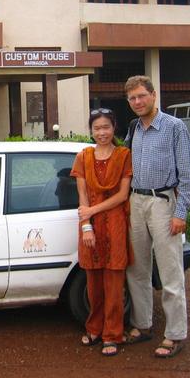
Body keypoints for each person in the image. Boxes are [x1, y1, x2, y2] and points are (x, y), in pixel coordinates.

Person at [123, 75, 190, 358]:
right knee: (137, 268)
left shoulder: (175, 127)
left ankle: (175, 334)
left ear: (153, 95)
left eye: (142, 96)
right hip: (136, 200)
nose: (138, 102)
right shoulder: (134, 128)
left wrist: (181, 212)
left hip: (164, 202)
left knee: (169, 271)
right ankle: (142, 325)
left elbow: (186, 174)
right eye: (132, 98)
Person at [71, 108, 132, 357]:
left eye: (106, 127)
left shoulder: (123, 155)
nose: (102, 132)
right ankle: (94, 329)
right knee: (93, 285)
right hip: (90, 226)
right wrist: (87, 225)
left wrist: (91, 211)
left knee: (114, 284)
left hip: (116, 224)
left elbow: (122, 195)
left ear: (114, 128)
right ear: (91, 131)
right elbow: (82, 195)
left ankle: (112, 334)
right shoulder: (83, 157)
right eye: (97, 128)